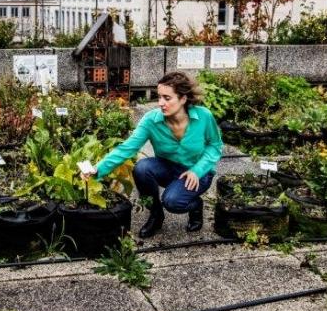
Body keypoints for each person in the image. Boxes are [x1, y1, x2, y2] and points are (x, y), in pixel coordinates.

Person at [84, 71, 223, 238]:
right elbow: (127, 148)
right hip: (168, 167)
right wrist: (97, 169)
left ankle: (195, 205)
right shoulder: (152, 120)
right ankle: (156, 215)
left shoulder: (203, 117)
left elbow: (215, 146)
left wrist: (197, 170)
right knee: (142, 168)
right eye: (159, 97)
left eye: (167, 98)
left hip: (198, 173)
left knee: (172, 202)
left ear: (183, 99)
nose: (160, 103)